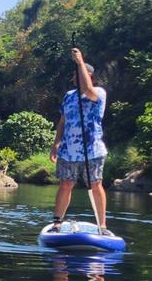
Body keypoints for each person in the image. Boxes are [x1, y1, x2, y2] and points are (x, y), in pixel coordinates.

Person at [48, 48, 112, 235]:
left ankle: (103, 226)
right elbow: (62, 121)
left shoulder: (98, 92)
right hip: (69, 151)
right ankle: (57, 223)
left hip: (92, 150)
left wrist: (80, 62)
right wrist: (56, 143)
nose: (74, 79)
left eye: (77, 75)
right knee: (65, 184)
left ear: (88, 75)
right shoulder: (68, 96)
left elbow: (88, 90)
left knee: (95, 184)